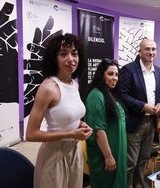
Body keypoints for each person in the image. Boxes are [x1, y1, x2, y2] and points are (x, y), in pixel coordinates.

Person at [26, 33, 93, 188]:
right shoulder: (49, 87)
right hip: (54, 155)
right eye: (63, 54)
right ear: (54, 58)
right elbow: (31, 134)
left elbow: (67, 116)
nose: (71, 59)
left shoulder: (74, 84)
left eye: (74, 54)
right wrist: (70, 134)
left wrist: (80, 125)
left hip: (75, 152)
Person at [119, 38, 160, 188]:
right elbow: (122, 95)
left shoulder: (157, 70)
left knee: (143, 159)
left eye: (153, 49)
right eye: (147, 49)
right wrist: (143, 106)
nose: (151, 52)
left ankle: (139, 185)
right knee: (130, 161)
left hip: (150, 122)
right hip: (134, 122)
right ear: (140, 51)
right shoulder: (128, 69)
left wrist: (159, 104)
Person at [84, 58, 127, 188]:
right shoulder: (96, 96)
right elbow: (99, 130)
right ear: (101, 74)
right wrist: (108, 156)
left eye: (116, 74)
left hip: (117, 149)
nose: (114, 78)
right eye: (110, 74)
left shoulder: (108, 93)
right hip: (105, 154)